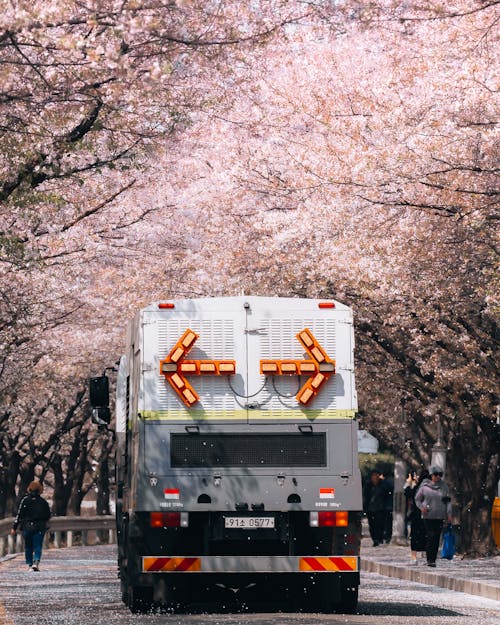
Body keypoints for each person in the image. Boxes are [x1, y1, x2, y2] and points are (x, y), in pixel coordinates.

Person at [415, 465, 452, 567]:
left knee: (436, 538)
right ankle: (429, 559)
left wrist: (449, 514)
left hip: (440, 516)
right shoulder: (424, 487)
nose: (438, 477)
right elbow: (417, 499)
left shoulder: (444, 487)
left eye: (440, 475)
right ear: (431, 475)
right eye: (436, 475)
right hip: (428, 516)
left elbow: (448, 501)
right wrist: (422, 508)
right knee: (431, 536)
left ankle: (433, 559)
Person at [11, 480, 51, 571]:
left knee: (28, 546)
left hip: (27, 526)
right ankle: (36, 562)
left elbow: (19, 514)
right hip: (39, 527)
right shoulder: (43, 502)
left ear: (29, 489)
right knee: (38, 545)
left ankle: (29, 564)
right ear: (40, 490)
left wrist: (14, 527)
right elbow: (48, 515)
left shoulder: (25, 501)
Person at [404, 469, 429, 564]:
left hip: (417, 516)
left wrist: (408, 483)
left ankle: (414, 558)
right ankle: (429, 557)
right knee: (428, 536)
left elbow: (407, 493)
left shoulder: (417, 488)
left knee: (415, 537)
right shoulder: (431, 487)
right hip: (429, 515)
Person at [363, 469, 391, 546]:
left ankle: (380, 539)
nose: (374, 478)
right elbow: (366, 497)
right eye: (373, 476)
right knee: (372, 526)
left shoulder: (383, 485)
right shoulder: (368, 485)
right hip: (371, 509)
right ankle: (375, 539)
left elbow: (387, 493)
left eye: (376, 476)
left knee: (380, 525)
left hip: (380, 509)